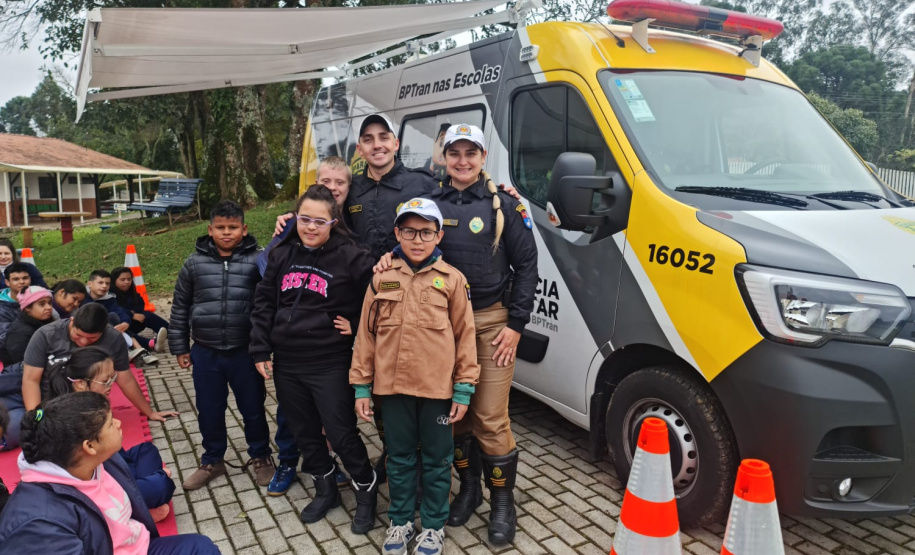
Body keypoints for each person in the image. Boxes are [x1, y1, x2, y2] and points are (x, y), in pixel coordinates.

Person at [376, 124, 538, 544]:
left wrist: (516, 326)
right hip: (440, 326)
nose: (463, 161)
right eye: (455, 153)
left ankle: (502, 503)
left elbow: (527, 268)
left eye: (471, 153)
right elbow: (414, 239)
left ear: (483, 157)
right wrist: (388, 259)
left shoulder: (505, 205)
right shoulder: (432, 202)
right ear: (443, 157)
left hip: (490, 324)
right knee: (454, 417)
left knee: (489, 417)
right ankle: (468, 489)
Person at [351, 198, 479, 555]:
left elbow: (466, 337)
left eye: (425, 232)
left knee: (438, 461)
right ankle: (401, 521)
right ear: (397, 233)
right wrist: (361, 387)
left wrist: (464, 389)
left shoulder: (452, 281)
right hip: (393, 390)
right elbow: (366, 336)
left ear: (439, 236)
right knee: (399, 458)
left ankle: (434, 526)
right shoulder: (382, 279)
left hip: (438, 391)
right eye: (409, 231)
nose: (417, 239)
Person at [250, 185, 378, 534]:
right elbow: (264, 302)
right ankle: (325, 488)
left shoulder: (352, 256)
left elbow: (379, 300)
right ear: (296, 218)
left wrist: (356, 324)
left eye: (319, 221)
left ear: (333, 222)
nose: (310, 227)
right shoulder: (282, 253)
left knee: (340, 432)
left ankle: (365, 488)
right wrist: (259, 348)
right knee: (304, 432)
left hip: (330, 361)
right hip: (287, 362)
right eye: (305, 219)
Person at [0, 392, 221, 554]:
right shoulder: (40, 524)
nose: (118, 422)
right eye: (110, 423)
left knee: (201, 547)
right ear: (89, 446)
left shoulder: (97, 459)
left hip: (135, 546)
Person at [259, 157, 352, 496]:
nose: (333, 187)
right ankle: (287, 460)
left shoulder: (352, 224)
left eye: (340, 182)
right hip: (292, 343)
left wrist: (355, 321)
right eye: (326, 181)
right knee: (292, 412)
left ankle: (328, 464)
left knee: (332, 411)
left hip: (331, 346)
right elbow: (267, 276)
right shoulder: (292, 224)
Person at [170, 200, 274, 491]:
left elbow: (270, 304)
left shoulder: (258, 261)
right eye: (220, 227)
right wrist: (180, 347)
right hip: (205, 352)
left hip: (245, 352)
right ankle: (212, 460)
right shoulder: (194, 263)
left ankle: (261, 456)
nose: (226, 233)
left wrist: (266, 346)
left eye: (232, 227)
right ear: (210, 229)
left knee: (253, 408)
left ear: (244, 229)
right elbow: (180, 307)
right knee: (209, 409)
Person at [45, 347, 175, 522]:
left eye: (113, 378)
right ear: (80, 383)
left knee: (147, 450)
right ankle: (137, 505)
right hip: (101, 484)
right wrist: (156, 478)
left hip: (113, 465)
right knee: (161, 484)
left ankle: (139, 499)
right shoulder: (75, 419)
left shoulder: (89, 403)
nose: (111, 385)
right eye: (106, 381)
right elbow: (96, 476)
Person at [20, 303, 177, 422]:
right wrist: (37, 418)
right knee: (17, 430)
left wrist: (149, 412)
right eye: (78, 335)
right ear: (72, 321)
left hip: (86, 404)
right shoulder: (45, 335)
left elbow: (126, 379)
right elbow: (30, 381)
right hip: (48, 401)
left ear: (105, 330)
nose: (83, 342)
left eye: (92, 339)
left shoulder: (113, 338)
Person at [110, 266, 169, 354]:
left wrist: (134, 313)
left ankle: (171, 332)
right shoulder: (110, 293)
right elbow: (115, 309)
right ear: (114, 280)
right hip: (120, 325)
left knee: (147, 315)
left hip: (134, 321)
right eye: (122, 280)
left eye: (129, 279)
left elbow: (141, 304)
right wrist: (131, 314)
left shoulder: (131, 290)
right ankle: (151, 344)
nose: (127, 282)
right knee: (124, 332)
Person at [0, 262, 33, 346]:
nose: (22, 282)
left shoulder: (41, 297)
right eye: (16, 279)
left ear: (30, 279)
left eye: (25, 278)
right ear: (7, 282)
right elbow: (4, 338)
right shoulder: (2, 309)